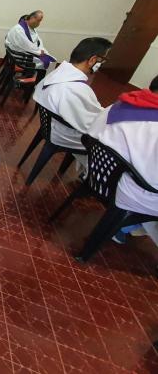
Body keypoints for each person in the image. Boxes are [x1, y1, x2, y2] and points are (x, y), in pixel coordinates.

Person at [90, 77, 158, 246]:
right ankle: (126, 226)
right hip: (121, 189)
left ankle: (130, 226)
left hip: (95, 170)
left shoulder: (124, 101)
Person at [32, 37, 111, 171]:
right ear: (92, 60)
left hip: (50, 126)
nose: (102, 64)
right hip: (63, 134)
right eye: (102, 60)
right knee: (109, 146)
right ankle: (91, 177)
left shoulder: (58, 72)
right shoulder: (77, 89)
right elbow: (92, 124)